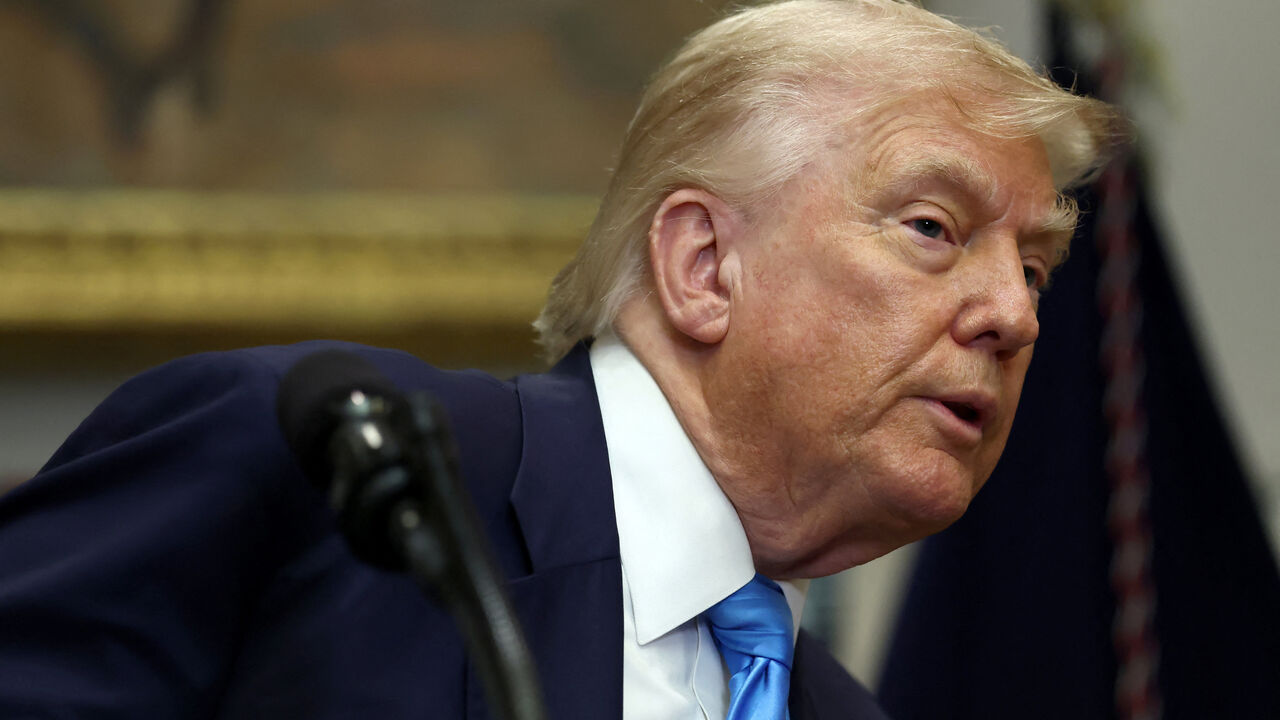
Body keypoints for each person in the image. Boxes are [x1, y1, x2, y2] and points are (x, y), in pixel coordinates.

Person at [0, 1, 1121, 718]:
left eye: (1033, 268)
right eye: (933, 229)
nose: (1011, 317)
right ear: (701, 266)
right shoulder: (325, 472)